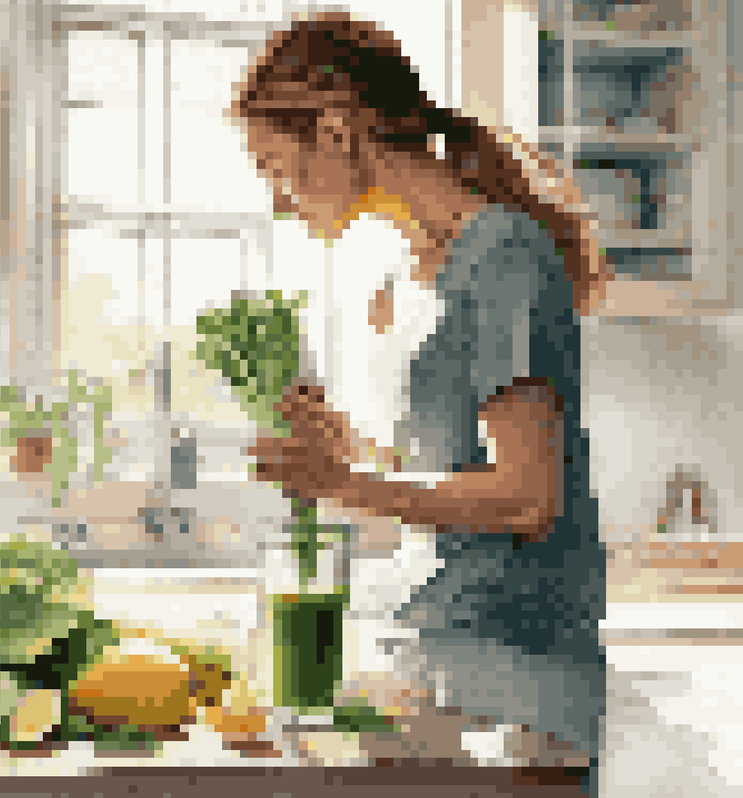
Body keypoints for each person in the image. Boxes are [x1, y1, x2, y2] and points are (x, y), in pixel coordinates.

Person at [227, 10, 607, 788]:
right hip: (442, 666)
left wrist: (343, 483)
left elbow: (525, 498)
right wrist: (352, 453)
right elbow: (453, 475)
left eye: (277, 167)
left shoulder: (501, 254)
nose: (278, 200)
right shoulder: (416, 273)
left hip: (513, 689)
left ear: (336, 130)